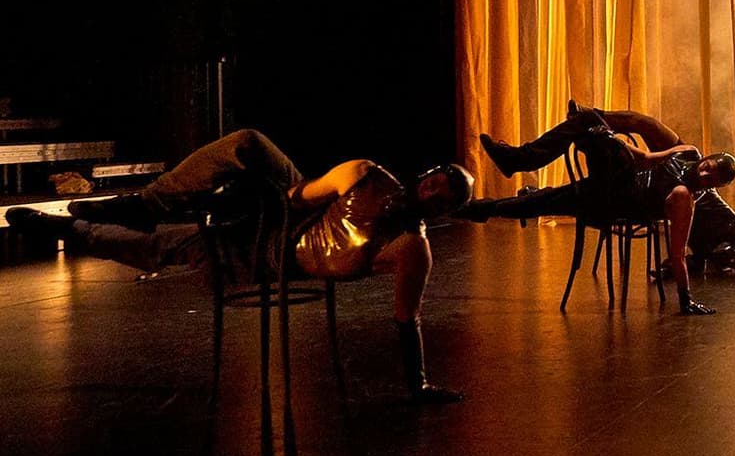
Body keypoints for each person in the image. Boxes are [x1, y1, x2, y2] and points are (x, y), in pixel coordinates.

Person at [5, 129, 473, 402]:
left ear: (444, 210)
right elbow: (296, 196)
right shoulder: (364, 174)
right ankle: (144, 204)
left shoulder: (411, 248)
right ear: (427, 174)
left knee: (163, 248)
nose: (433, 189)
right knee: (248, 142)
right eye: (438, 179)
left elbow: (406, 318)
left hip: (270, 258)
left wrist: (419, 385)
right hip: (290, 214)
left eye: (445, 195)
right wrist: (246, 200)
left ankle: (67, 230)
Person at [469, 102, 735, 314]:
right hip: (617, 179)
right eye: (708, 167)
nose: (704, 174)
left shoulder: (684, 197)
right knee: (587, 121)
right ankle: (515, 163)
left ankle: (483, 201)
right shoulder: (687, 153)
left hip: (618, 202)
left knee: (538, 202)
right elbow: (646, 159)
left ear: (714, 186)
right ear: (706, 158)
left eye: (711, 179)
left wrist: (685, 299)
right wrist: (614, 141)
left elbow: (678, 254)